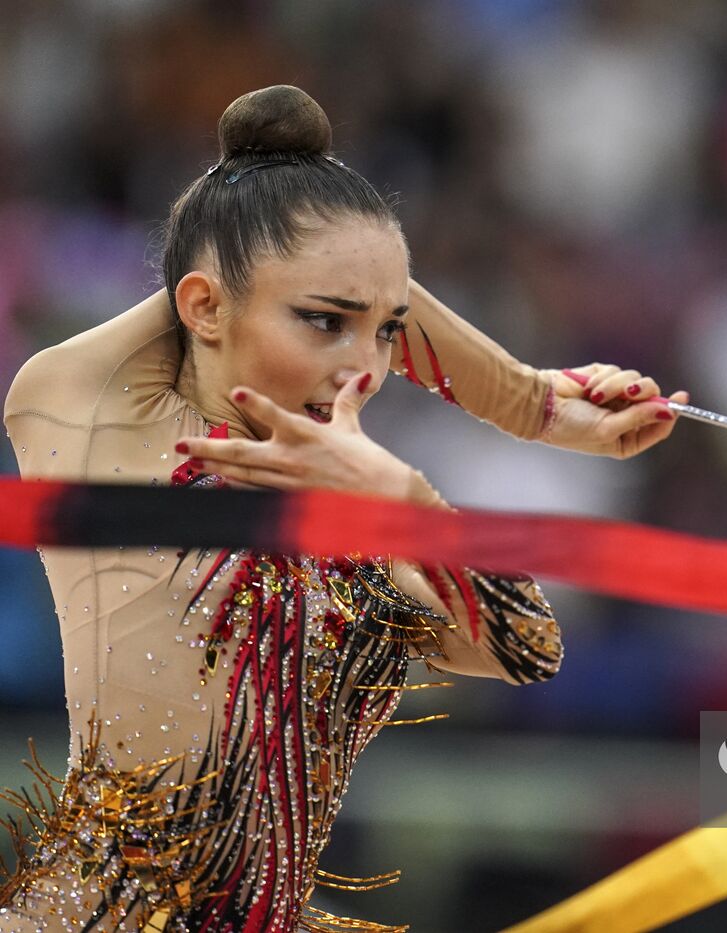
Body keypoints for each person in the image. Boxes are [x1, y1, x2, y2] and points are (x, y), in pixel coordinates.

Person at [0, 85, 685, 932]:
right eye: (326, 322)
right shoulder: (97, 419)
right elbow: (235, 260)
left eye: (389, 331)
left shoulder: (368, 530)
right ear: (204, 307)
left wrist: (408, 499)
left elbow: (528, 647)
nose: (368, 368)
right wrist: (525, 400)